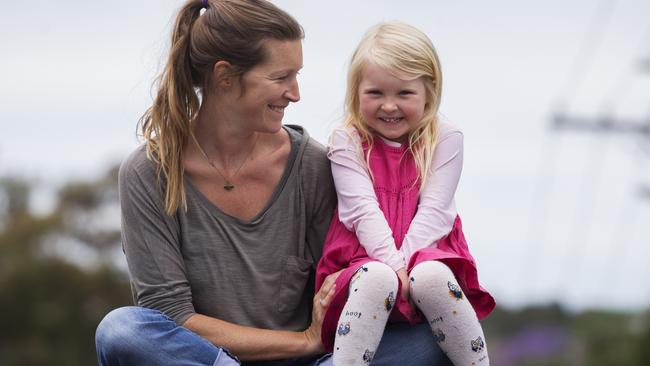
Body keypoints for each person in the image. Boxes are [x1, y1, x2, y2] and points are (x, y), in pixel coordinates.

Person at [94, 1, 453, 365]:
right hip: (209, 359)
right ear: (224, 77)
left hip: (315, 362)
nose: (295, 93)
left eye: (296, 75)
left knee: (432, 338)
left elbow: (342, 281)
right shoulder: (148, 173)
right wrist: (304, 341)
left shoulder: (313, 165)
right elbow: (173, 318)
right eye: (281, 77)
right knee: (121, 330)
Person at [315, 22, 496, 365]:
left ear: (430, 90)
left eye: (403, 93)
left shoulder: (445, 137)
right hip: (363, 257)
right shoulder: (348, 141)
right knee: (377, 277)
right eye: (375, 93)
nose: (388, 106)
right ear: (356, 92)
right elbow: (361, 211)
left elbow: (436, 212)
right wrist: (395, 269)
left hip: (425, 251)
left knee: (430, 276)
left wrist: (408, 269)